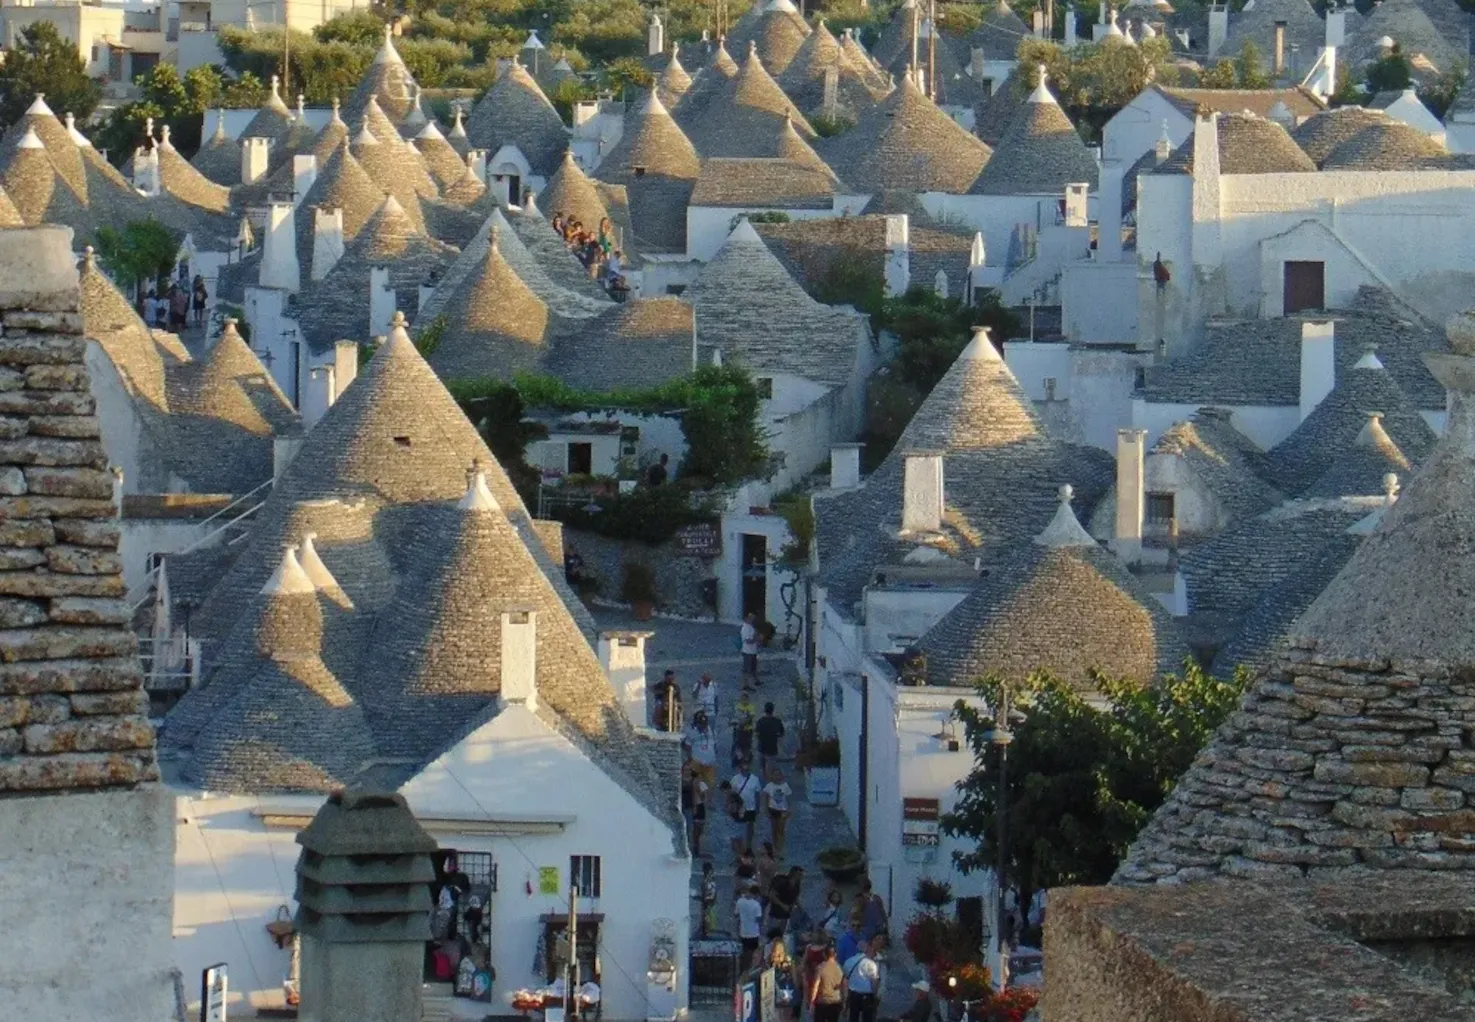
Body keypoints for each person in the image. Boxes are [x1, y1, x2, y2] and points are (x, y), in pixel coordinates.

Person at [841, 936, 882, 1022]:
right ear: (866, 949)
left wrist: (845, 1001)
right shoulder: (871, 964)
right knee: (867, 1019)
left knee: (853, 1018)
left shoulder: (849, 961)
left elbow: (845, 981)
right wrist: (875, 996)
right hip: (867, 997)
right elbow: (875, 983)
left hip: (853, 995)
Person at [730, 761, 762, 852]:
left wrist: (758, 807)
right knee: (737, 830)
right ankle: (738, 849)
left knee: (750, 829)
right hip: (738, 808)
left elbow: (757, 794)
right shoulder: (735, 779)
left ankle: (748, 847)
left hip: (750, 807)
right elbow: (731, 794)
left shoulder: (755, 779)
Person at [808, 943, 844, 1022]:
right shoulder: (840, 968)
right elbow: (843, 986)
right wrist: (844, 1002)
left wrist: (812, 1002)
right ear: (835, 954)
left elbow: (816, 986)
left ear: (824, 954)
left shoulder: (820, 968)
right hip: (835, 1001)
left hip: (822, 1001)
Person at [767, 865, 802, 942]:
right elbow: (771, 895)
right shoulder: (782, 882)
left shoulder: (797, 884)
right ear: (794, 874)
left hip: (786, 915)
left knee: (780, 937)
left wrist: (800, 908)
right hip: (775, 915)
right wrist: (783, 905)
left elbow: (795, 896)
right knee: (771, 937)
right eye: (799, 874)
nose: (801, 876)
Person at [684, 711, 718, 788]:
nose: (702, 726)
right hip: (697, 764)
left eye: (704, 724)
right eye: (700, 724)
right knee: (696, 787)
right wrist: (690, 761)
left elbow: (715, 746)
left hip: (710, 764)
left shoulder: (712, 731)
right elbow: (687, 747)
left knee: (710, 787)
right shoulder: (692, 732)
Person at [764, 766, 793, 857]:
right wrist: (766, 810)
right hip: (772, 810)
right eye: (775, 775)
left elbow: (790, 799)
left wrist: (789, 810)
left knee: (781, 831)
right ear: (772, 776)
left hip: (782, 810)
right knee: (773, 830)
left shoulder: (785, 786)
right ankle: (775, 849)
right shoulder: (769, 786)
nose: (777, 776)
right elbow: (766, 798)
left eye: (778, 774)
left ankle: (780, 850)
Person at [734, 884, 764, 969]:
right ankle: (750, 969)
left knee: (745, 951)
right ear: (757, 894)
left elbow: (736, 914)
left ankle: (743, 967)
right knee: (753, 954)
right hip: (754, 933)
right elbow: (758, 918)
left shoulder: (740, 901)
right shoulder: (757, 905)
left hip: (743, 932)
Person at [756, 702, 785, 775]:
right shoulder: (777, 721)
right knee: (771, 770)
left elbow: (757, 734)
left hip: (762, 748)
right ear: (773, 710)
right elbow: (781, 733)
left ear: (765, 710)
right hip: (772, 749)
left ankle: (763, 780)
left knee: (763, 769)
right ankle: (769, 783)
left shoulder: (760, 721)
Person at [856, 879, 889, 943]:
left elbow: (857, 913)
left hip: (866, 928)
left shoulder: (860, 899)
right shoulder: (877, 897)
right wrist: (886, 925)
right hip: (879, 926)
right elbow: (883, 912)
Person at [740, 612, 761, 685]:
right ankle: (745, 684)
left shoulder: (751, 627)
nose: (753, 620)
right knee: (747, 669)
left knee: (753, 668)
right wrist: (755, 639)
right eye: (751, 618)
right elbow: (748, 640)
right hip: (747, 652)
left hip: (753, 651)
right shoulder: (745, 628)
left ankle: (755, 681)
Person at [699, 861, 718, 937]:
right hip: (708, 902)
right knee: (706, 916)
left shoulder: (709, 880)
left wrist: (705, 898)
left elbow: (711, 893)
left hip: (708, 902)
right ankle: (706, 930)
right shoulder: (709, 879)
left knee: (707, 917)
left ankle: (706, 931)